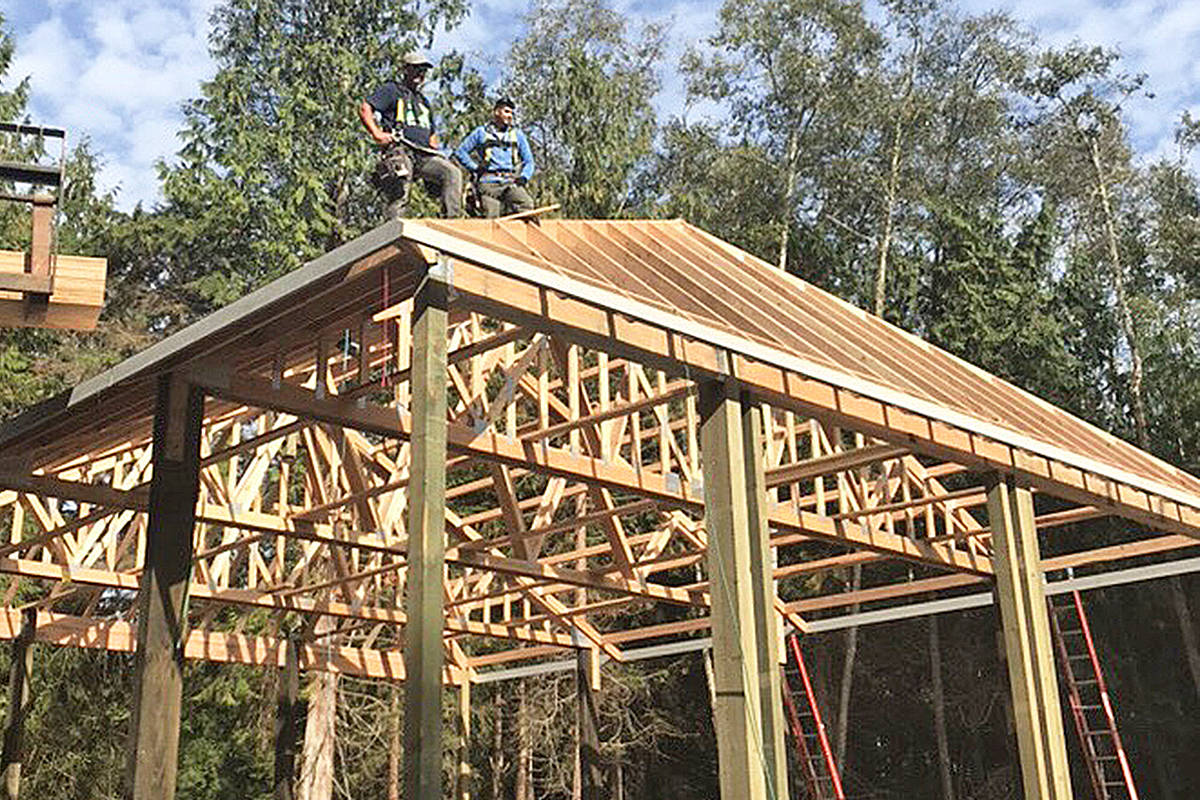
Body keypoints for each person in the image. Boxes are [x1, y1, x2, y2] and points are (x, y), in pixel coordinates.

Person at [359, 50, 463, 219]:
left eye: (423, 70)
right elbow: (365, 108)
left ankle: (452, 223)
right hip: (401, 149)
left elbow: (432, 134)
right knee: (401, 187)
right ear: (405, 69)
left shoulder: (424, 102)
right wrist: (377, 133)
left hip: (424, 154)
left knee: (452, 172)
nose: (420, 74)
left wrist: (437, 153)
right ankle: (393, 231)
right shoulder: (392, 90)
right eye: (416, 69)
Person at [454, 98, 535, 218]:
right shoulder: (481, 132)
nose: (510, 116)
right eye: (507, 112)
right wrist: (475, 167)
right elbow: (461, 152)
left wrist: (524, 177)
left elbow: (529, 161)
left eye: (512, 113)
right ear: (497, 112)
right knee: (491, 217)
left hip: (509, 182)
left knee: (526, 205)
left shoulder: (517, 135)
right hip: (488, 183)